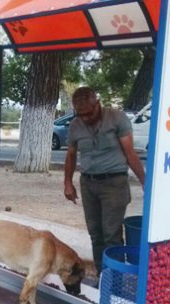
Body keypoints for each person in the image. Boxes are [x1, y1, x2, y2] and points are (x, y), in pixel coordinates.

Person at [63, 86, 146, 272]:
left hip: (114, 184)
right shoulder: (76, 125)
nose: (85, 118)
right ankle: (103, 277)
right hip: (88, 183)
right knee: (95, 234)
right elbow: (70, 155)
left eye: (89, 113)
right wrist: (68, 183)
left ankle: (116, 279)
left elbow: (130, 153)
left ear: (97, 104)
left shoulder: (117, 118)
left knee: (112, 235)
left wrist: (144, 180)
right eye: (80, 114)